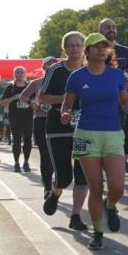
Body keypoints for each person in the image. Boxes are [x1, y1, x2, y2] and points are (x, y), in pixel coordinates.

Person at [61, 33, 128, 250]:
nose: (101, 50)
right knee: (96, 187)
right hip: (86, 135)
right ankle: (98, 233)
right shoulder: (77, 77)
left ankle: (111, 206)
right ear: (87, 51)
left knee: (118, 186)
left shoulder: (117, 75)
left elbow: (125, 101)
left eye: (105, 47)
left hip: (113, 134)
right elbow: (67, 104)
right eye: (96, 47)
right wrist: (65, 113)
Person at [41, 32, 90, 231]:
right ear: (65, 48)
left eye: (79, 45)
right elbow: (42, 96)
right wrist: (65, 98)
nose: (75, 49)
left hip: (84, 127)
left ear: (84, 47)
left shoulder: (91, 70)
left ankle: (76, 216)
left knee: (82, 174)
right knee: (64, 176)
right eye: (71, 45)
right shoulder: (56, 70)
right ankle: (56, 192)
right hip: (58, 126)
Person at [21, 57, 58, 194]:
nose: (51, 67)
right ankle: (47, 187)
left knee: (56, 153)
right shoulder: (37, 82)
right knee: (45, 153)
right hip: (41, 119)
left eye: (54, 65)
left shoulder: (63, 81)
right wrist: (31, 102)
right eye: (48, 65)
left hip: (58, 120)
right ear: (43, 67)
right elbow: (23, 96)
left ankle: (55, 180)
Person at [1, 67, 34, 172]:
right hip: (15, 117)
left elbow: (36, 101)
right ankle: (16, 163)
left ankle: (26, 162)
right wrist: (14, 97)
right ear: (14, 74)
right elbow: (2, 103)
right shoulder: (10, 87)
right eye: (17, 72)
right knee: (16, 140)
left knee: (28, 140)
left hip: (28, 117)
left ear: (25, 74)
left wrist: (27, 100)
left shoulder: (30, 87)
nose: (19, 74)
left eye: (21, 72)